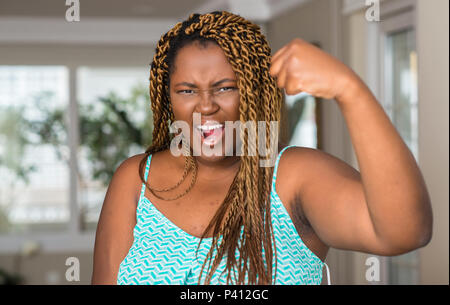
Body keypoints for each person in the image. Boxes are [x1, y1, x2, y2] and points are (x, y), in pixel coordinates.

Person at [91, 11, 433, 285]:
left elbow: (404, 232)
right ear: (168, 100)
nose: (205, 107)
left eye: (225, 88)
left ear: (254, 92)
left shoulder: (292, 175)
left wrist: (350, 90)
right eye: (187, 91)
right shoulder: (137, 179)